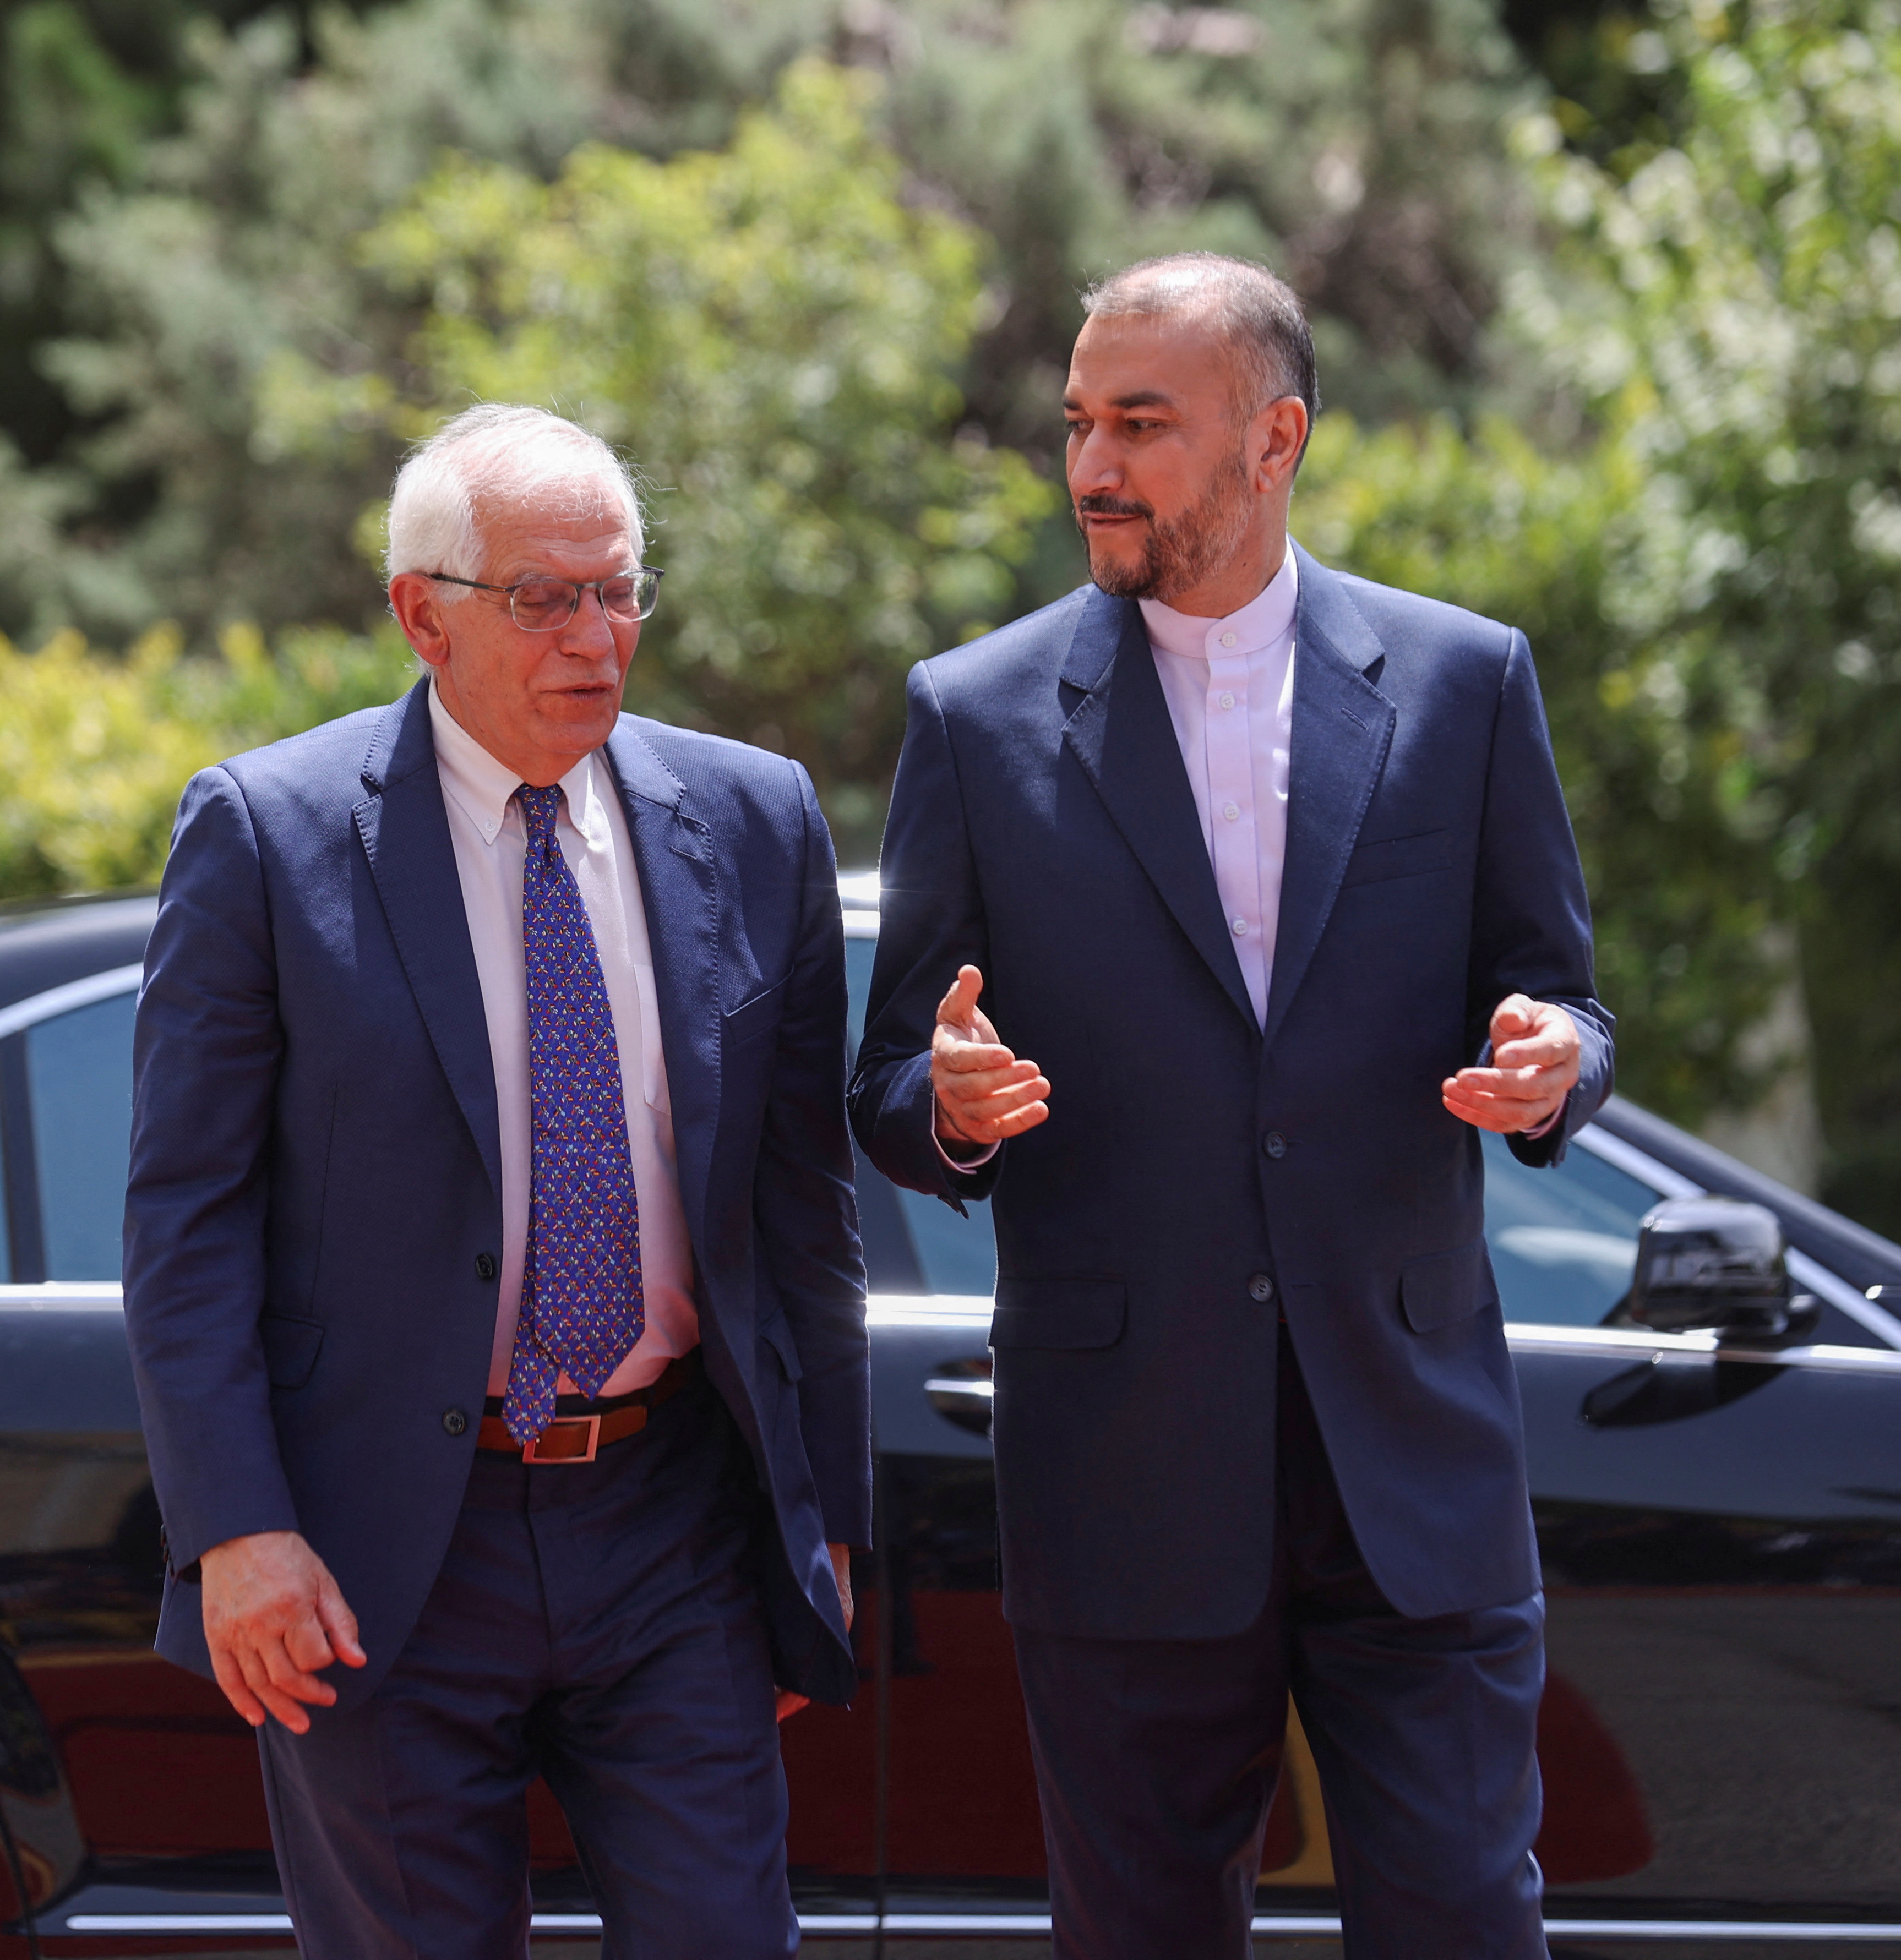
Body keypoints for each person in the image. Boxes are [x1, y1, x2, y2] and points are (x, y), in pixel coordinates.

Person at [849, 254, 1611, 1958]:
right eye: (1077, 424)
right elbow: (893, 1081)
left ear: (1275, 439)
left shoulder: (1466, 682)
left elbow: (1562, 988)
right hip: (1122, 1469)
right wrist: (953, 1103)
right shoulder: (970, 718)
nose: (1093, 467)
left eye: (1142, 424)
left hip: (1410, 1460)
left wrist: (1558, 1058)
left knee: (1468, 1925)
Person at [124, 403, 869, 1959]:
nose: (595, 637)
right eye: (545, 598)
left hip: (672, 1520)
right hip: (378, 1541)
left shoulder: (753, 821)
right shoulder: (271, 836)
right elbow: (184, 1221)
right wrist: (236, 1528)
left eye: (619, 592)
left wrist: (825, 1523)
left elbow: (805, 1213)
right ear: (423, 614)